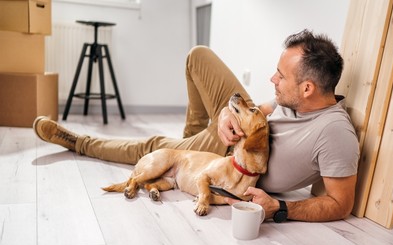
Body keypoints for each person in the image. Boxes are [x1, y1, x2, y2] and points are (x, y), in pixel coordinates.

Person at [34, 29, 359, 223]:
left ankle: (77, 141)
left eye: (280, 76)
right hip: (238, 134)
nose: (271, 79)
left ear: (307, 89)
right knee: (198, 55)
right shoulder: (292, 101)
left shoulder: (334, 134)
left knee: (151, 149)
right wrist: (225, 117)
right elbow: (258, 109)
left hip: (230, 162)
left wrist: (281, 208)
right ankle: (191, 135)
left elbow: (340, 204)